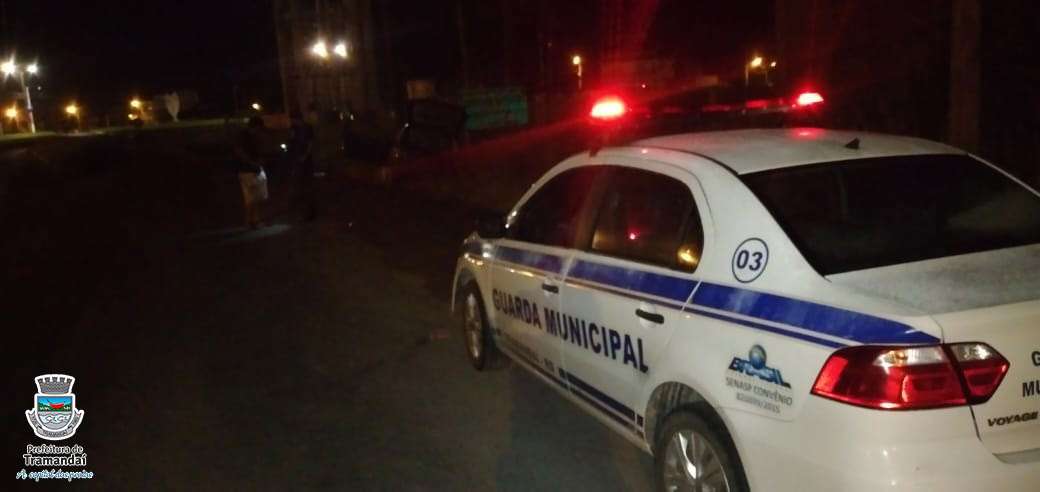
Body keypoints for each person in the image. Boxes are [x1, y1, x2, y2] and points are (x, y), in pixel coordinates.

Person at [234, 116, 268, 229]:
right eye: (259, 128)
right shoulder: (244, 137)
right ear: (256, 127)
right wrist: (252, 163)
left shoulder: (248, 136)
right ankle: (253, 221)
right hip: (248, 170)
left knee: (253, 197)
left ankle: (252, 221)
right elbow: (240, 152)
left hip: (250, 169)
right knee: (253, 197)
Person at [287, 110, 317, 221]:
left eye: (293, 119)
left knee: (306, 186)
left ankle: (308, 212)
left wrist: (305, 156)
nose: (292, 122)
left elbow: (310, 144)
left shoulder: (307, 128)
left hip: (304, 161)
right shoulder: (294, 128)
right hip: (297, 159)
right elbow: (292, 141)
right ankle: (302, 211)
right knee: (299, 186)